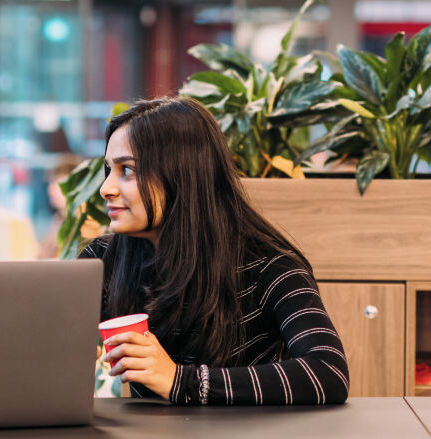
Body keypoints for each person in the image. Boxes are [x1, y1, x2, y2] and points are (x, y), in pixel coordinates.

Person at [84, 97, 350, 405]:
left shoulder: (270, 266)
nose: (106, 188)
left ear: (181, 174)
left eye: (127, 170)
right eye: (109, 169)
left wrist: (181, 381)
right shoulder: (104, 260)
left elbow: (328, 372)